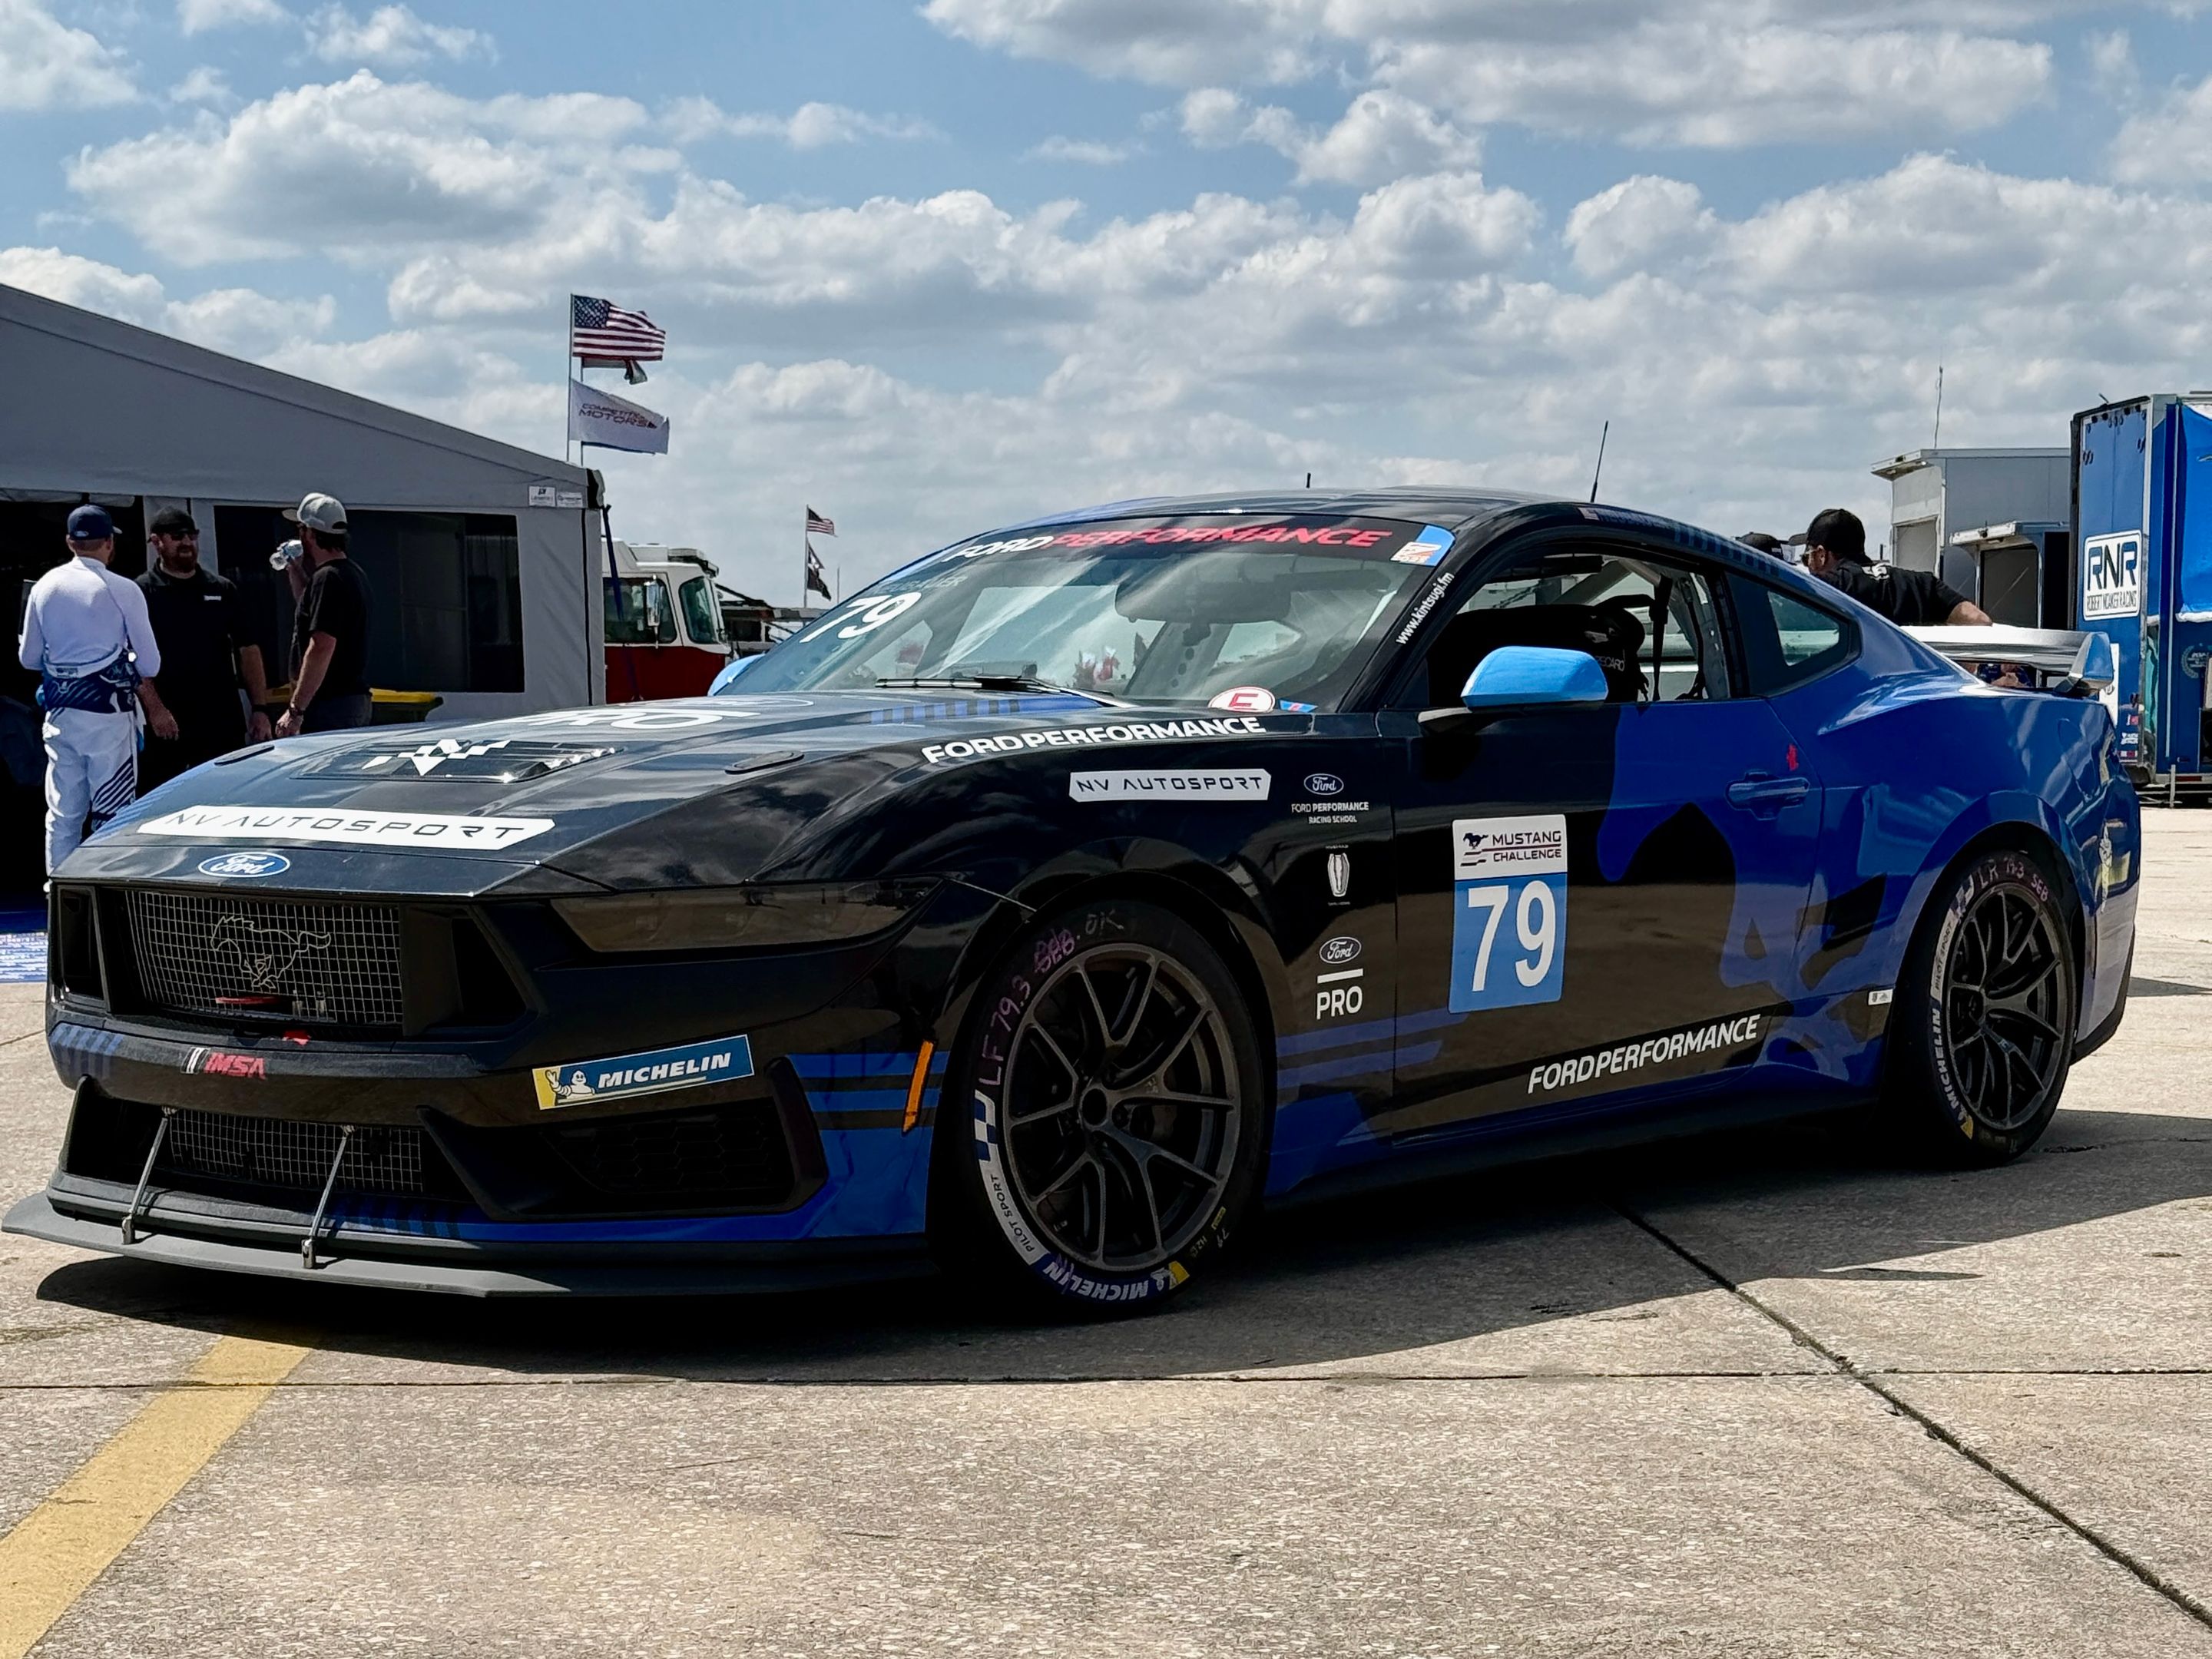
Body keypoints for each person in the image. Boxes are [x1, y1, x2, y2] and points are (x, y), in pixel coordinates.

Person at [16, 505, 174, 872]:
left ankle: (57, 897)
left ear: (70, 542)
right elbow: (151, 665)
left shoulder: (43, 587)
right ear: (109, 543)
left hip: (61, 717)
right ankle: (104, 894)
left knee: (62, 814)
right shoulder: (123, 589)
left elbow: (28, 659)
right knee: (112, 811)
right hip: (109, 717)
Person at [135, 507, 273, 792]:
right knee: (162, 797)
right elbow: (132, 657)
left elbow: (248, 649)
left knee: (227, 794)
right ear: (157, 541)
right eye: (177, 536)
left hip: (219, 717)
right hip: (168, 720)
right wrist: (155, 709)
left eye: (192, 535)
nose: (186, 543)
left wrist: (260, 708)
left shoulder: (222, 589)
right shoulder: (142, 592)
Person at [274, 492, 373, 735]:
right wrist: (294, 569)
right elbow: (310, 610)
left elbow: (322, 645)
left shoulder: (328, 579)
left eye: (300, 528)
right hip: (349, 703)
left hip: (331, 706)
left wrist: (296, 710)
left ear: (309, 534)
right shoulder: (350, 574)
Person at [1802, 507, 1992, 627]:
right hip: (1916, 684)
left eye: (1806, 558)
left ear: (1821, 555)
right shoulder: (1923, 583)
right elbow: (1979, 620)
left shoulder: (1827, 586)